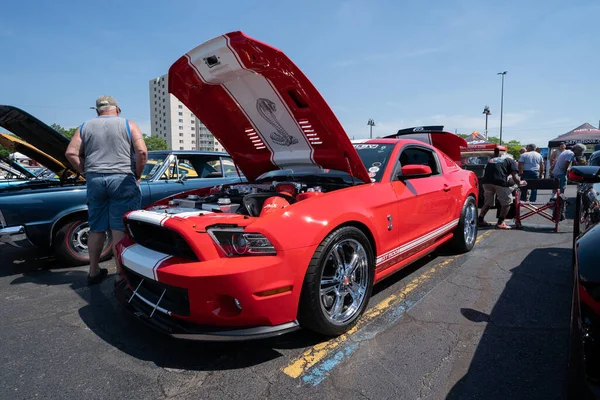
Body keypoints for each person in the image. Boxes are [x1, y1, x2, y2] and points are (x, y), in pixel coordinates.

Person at [65, 96, 148, 285]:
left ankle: (93, 272)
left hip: (95, 179)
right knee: (119, 227)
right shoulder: (128, 124)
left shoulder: (85, 126)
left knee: (97, 227)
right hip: (122, 178)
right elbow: (142, 152)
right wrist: (137, 174)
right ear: (117, 109)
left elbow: (70, 152)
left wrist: (85, 172)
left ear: (97, 111)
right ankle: (120, 274)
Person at [478, 148, 524, 230]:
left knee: (488, 202)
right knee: (506, 203)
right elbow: (515, 176)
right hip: (500, 182)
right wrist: (520, 183)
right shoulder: (511, 161)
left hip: (486, 182)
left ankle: (480, 219)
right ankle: (500, 223)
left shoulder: (492, 160)